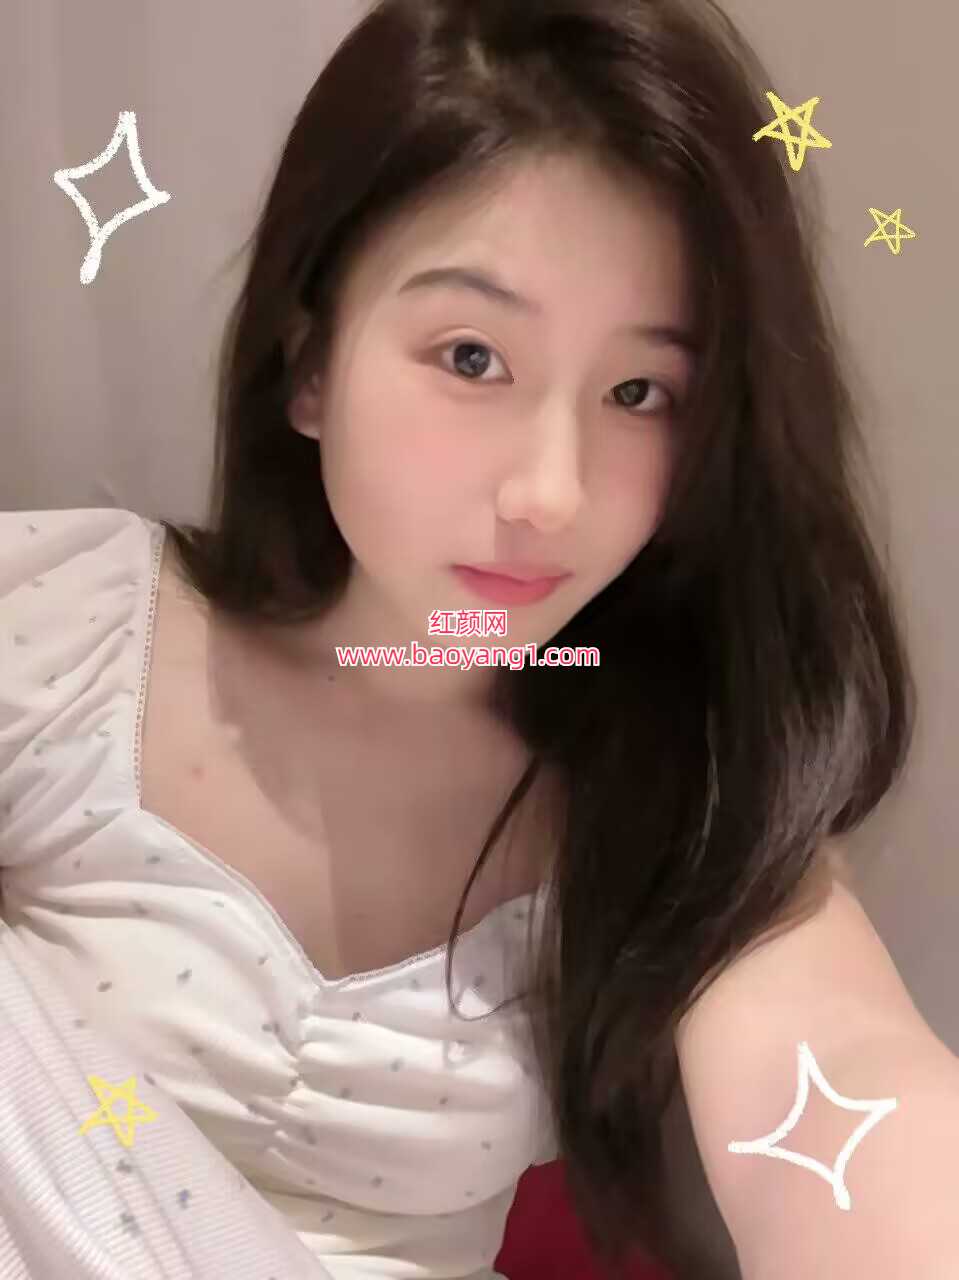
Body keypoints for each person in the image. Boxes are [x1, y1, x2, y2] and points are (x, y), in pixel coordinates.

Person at [2, 0, 958, 1277]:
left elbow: (846, 1080)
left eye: (638, 392)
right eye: (470, 357)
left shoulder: (682, 796)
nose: (550, 492)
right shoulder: (61, 624)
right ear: (309, 365)